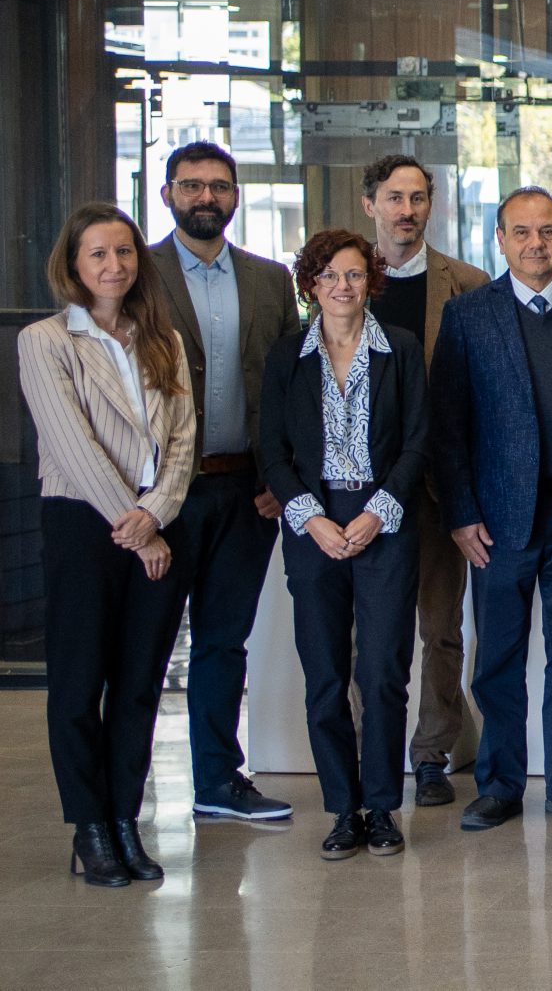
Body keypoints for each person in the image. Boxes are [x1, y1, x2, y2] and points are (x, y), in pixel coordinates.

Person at [22, 204, 197, 886]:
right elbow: (72, 443)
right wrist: (134, 526)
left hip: (157, 522)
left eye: (123, 252)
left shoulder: (162, 339)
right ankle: (90, 827)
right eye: (97, 254)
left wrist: (155, 515)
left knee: (139, 685)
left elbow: (181, 442)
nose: (113, 265)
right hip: (82, 523)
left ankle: (126, 819)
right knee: (78, 684)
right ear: (73, 264)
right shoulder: (45, 341)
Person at [430, 186, 552, 833]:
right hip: (497, 518)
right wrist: (460, 511)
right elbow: (448, 425)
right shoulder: (468, 315)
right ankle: (500, 785)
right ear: (500, 240)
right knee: (498, 656)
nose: (537, 244)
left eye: (548, 231)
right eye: (523, 232)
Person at [259, 229, 431, 862]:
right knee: (326, 675)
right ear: (310, 284)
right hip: (314, 526)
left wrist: (378, 511)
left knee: (383, 671)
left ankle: (381, 807)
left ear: (371, 282)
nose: (342, 286)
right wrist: (312, 519)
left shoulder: (400, 349)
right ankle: (342, 809)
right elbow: (271, 452)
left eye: (354, 274)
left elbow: (418, 440)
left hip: (385, 521)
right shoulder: (288, 355)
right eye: (328, 275)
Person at [148, 142, 298, 824]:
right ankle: (120, 794)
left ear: (235, 196)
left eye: (218, 186)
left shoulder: (270, 280)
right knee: (145, 645)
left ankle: (216, 781)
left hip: (246, 492)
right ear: (168, 194)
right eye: (191, 185)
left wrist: (280, 477)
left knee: (222, 642)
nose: (205, 197)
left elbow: (291, 386)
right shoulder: (139, 273)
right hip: (162, 495)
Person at [356, 153, 490, 809]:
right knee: (371, 634)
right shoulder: (344, 278)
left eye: (417, 198)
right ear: (370, 205)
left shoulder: (466, 283)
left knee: (441, 629)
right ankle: (371, 751)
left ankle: (433, 753)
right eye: (394, 197)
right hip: (362, 488)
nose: (406, 210)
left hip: (438, 487)